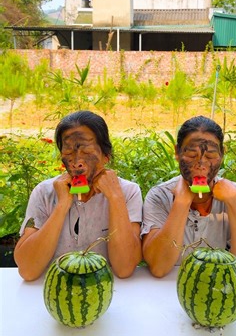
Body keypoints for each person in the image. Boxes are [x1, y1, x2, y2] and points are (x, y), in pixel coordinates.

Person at [14, 111, 143, 281]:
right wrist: (62, 205)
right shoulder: (44, 192)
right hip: (54, 290)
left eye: (87, 152)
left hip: (109, 289)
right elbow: (28, 271)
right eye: (68, 153)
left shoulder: (128, 192)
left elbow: (124, 269)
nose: (77, 162)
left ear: (106, 155)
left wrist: (115, 197)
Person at [141, 115, 236, 279]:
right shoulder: (160, 196)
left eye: (210, 156)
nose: (201, 164)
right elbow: (158, 267)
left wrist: (235, 203)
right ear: (177, 152)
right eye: (191, 155)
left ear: (222, 154)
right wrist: (181, 203)